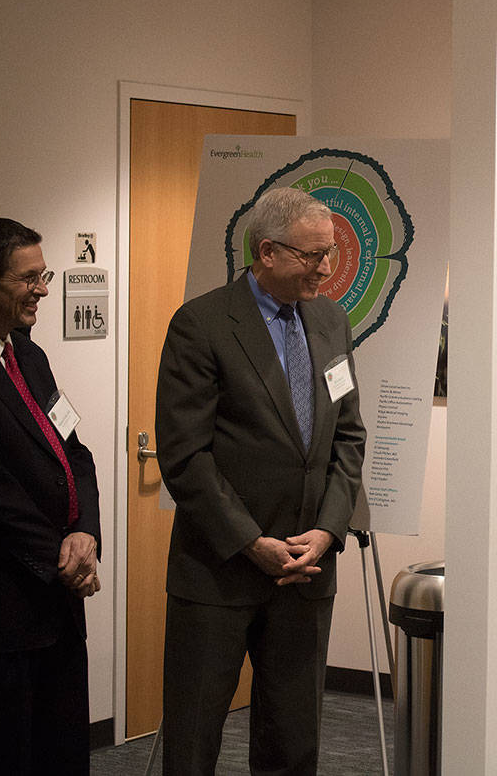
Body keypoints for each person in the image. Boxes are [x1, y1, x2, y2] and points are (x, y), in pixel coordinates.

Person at [156, 186, 367, 775]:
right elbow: (185, 456)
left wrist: (326, 531)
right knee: (194, 745)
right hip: (218, 573)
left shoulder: (330, 320)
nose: (327, 269)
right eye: (313, 256)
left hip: (306, 570)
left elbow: (347, 438)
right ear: (267, 252)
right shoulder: (202, 324)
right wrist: (253, 543)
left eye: (330, 253)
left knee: (293, 746)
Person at [0, 217, 101, 774]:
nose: (44, 289)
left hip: (60, 595)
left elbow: (75, 453)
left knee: (62, 750)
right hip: (5, 602)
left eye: (46, 275)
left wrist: (86, 531)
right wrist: (58, 555)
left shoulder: (28, 354)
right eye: (30, 278)